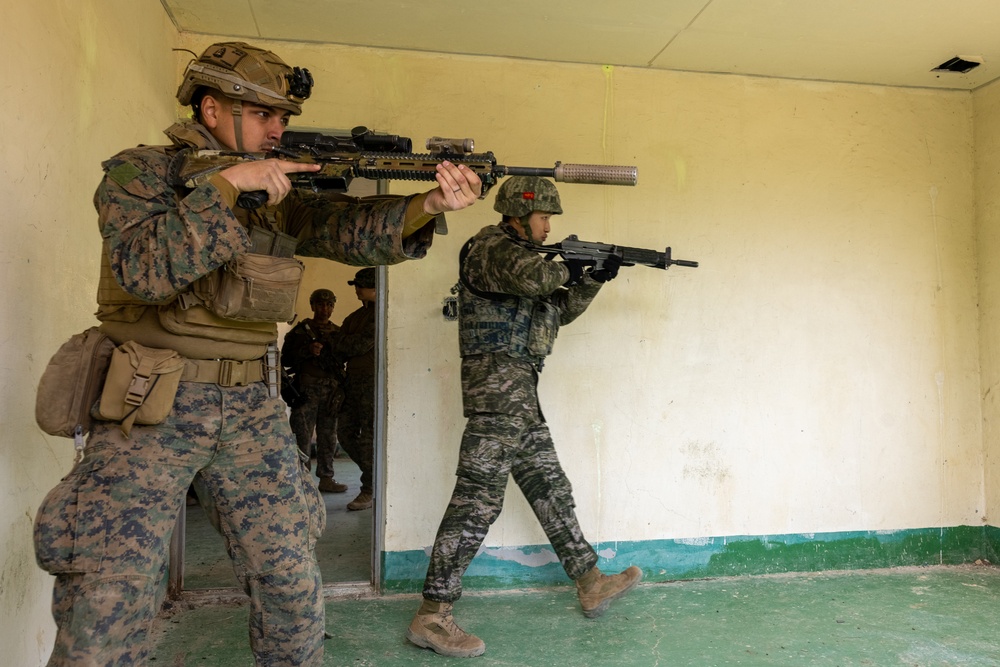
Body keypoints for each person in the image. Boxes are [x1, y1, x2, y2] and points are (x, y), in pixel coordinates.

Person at [32, 41, 481, 666]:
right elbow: (141, 270)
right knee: (109, 594)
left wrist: (428, 204)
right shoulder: (142, 175)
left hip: (250, 404)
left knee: (291, 579)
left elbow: (344, 232)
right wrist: (222, 190)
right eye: (264, 113)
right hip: (147, 403)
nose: (279, 129)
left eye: (285, 118)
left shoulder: (280, 190)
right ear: (212, 109)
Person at [406, 177, 640, 658]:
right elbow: (539, 279)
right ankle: (431, 615)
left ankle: (590, 582)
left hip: (519, 389)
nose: (549, 225)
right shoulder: (492, 249)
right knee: (478, 498)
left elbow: (558, 309)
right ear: (518, 213)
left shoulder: (528, 261)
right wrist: (574, 262)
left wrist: (593, 277)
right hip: (496, 387)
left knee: (549, 484)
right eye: (544, 217)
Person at [282, 288, 348, 494]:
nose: (325, 309)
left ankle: (326, 478)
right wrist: (307, 351)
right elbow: (285, 360)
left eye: (329, 305)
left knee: (328, 436)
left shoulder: (339, 333)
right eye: (320, 304)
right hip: (307, 390)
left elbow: (345, 359)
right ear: (312, 306)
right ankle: (301, 478)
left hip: (331, 392)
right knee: (301, 434)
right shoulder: (300, 332)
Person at [333, 268, 378, 511]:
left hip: (373, 384)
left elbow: (360, 344)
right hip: (353, 382)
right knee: (346, 434)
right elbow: (339, 347)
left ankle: (369, 489)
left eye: (361, 285)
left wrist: (344, 342)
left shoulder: (384, 313)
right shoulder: (354, 318)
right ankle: (378, 476)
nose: (357, 289)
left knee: (369, 439)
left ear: (375, 288)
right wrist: (344, 343)